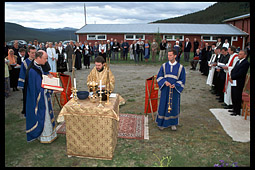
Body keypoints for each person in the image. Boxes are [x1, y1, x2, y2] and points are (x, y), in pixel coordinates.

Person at [24, 50, 57, 143]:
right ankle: (45, 136)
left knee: (48, 113)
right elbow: (37, 88)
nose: (46, 61)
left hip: (45, 95)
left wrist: (49, 78)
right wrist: (51, 89)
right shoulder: (32, 71)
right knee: (44, 115)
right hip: (39, 97)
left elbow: (45, 75)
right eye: (45, 58)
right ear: (38, 58)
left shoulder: (39, 66)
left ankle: (51, 134)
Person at [156, 49, 186, 131]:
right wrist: (165, 82)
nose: (168, 57)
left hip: (175, 90)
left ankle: (173, 123)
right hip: (165, 89)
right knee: (163, 105)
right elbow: (159, 76)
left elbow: (182, 79)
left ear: (175, 56)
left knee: (174, 106)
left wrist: (176, 85)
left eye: (170, 55)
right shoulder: (164, 66)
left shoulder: (180, 67)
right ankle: (161, 123)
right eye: (168, 55)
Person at [229, 50, 249, 116]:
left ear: (245, 55)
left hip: (239, 82)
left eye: (240, 54)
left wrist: (232, 77)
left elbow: (241, 73)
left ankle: (237, 110)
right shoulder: (238, 61)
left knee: (237, 96)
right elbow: (233, 69)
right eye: (239, 54)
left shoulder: (246, 63)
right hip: (234, 81)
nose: (239, 55)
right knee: (233, 95)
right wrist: (231, 76)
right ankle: (234, 108)